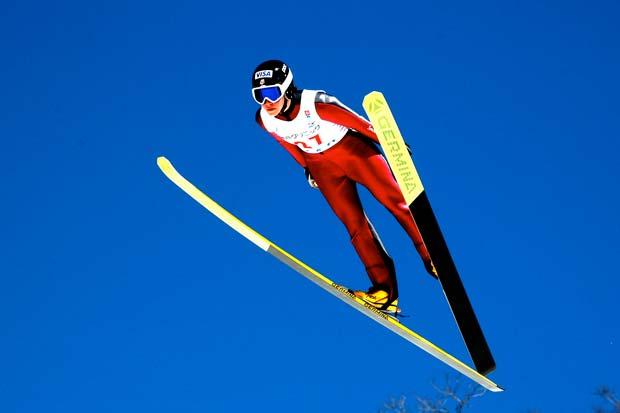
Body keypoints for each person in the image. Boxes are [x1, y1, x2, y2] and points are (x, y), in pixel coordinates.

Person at [252, 59, 436, 315]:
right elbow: (288, 143)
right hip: (322, 166)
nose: (267, 102)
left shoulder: (315, 105)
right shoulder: (265, 119)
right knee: (354, 225)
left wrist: (391, 143)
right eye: (259, 95)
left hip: (352, 151)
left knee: (394, 201)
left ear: (287, 88)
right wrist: (307, 168)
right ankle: (384, 292)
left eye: (272, 93)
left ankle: (431, 255)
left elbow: (359, 123)